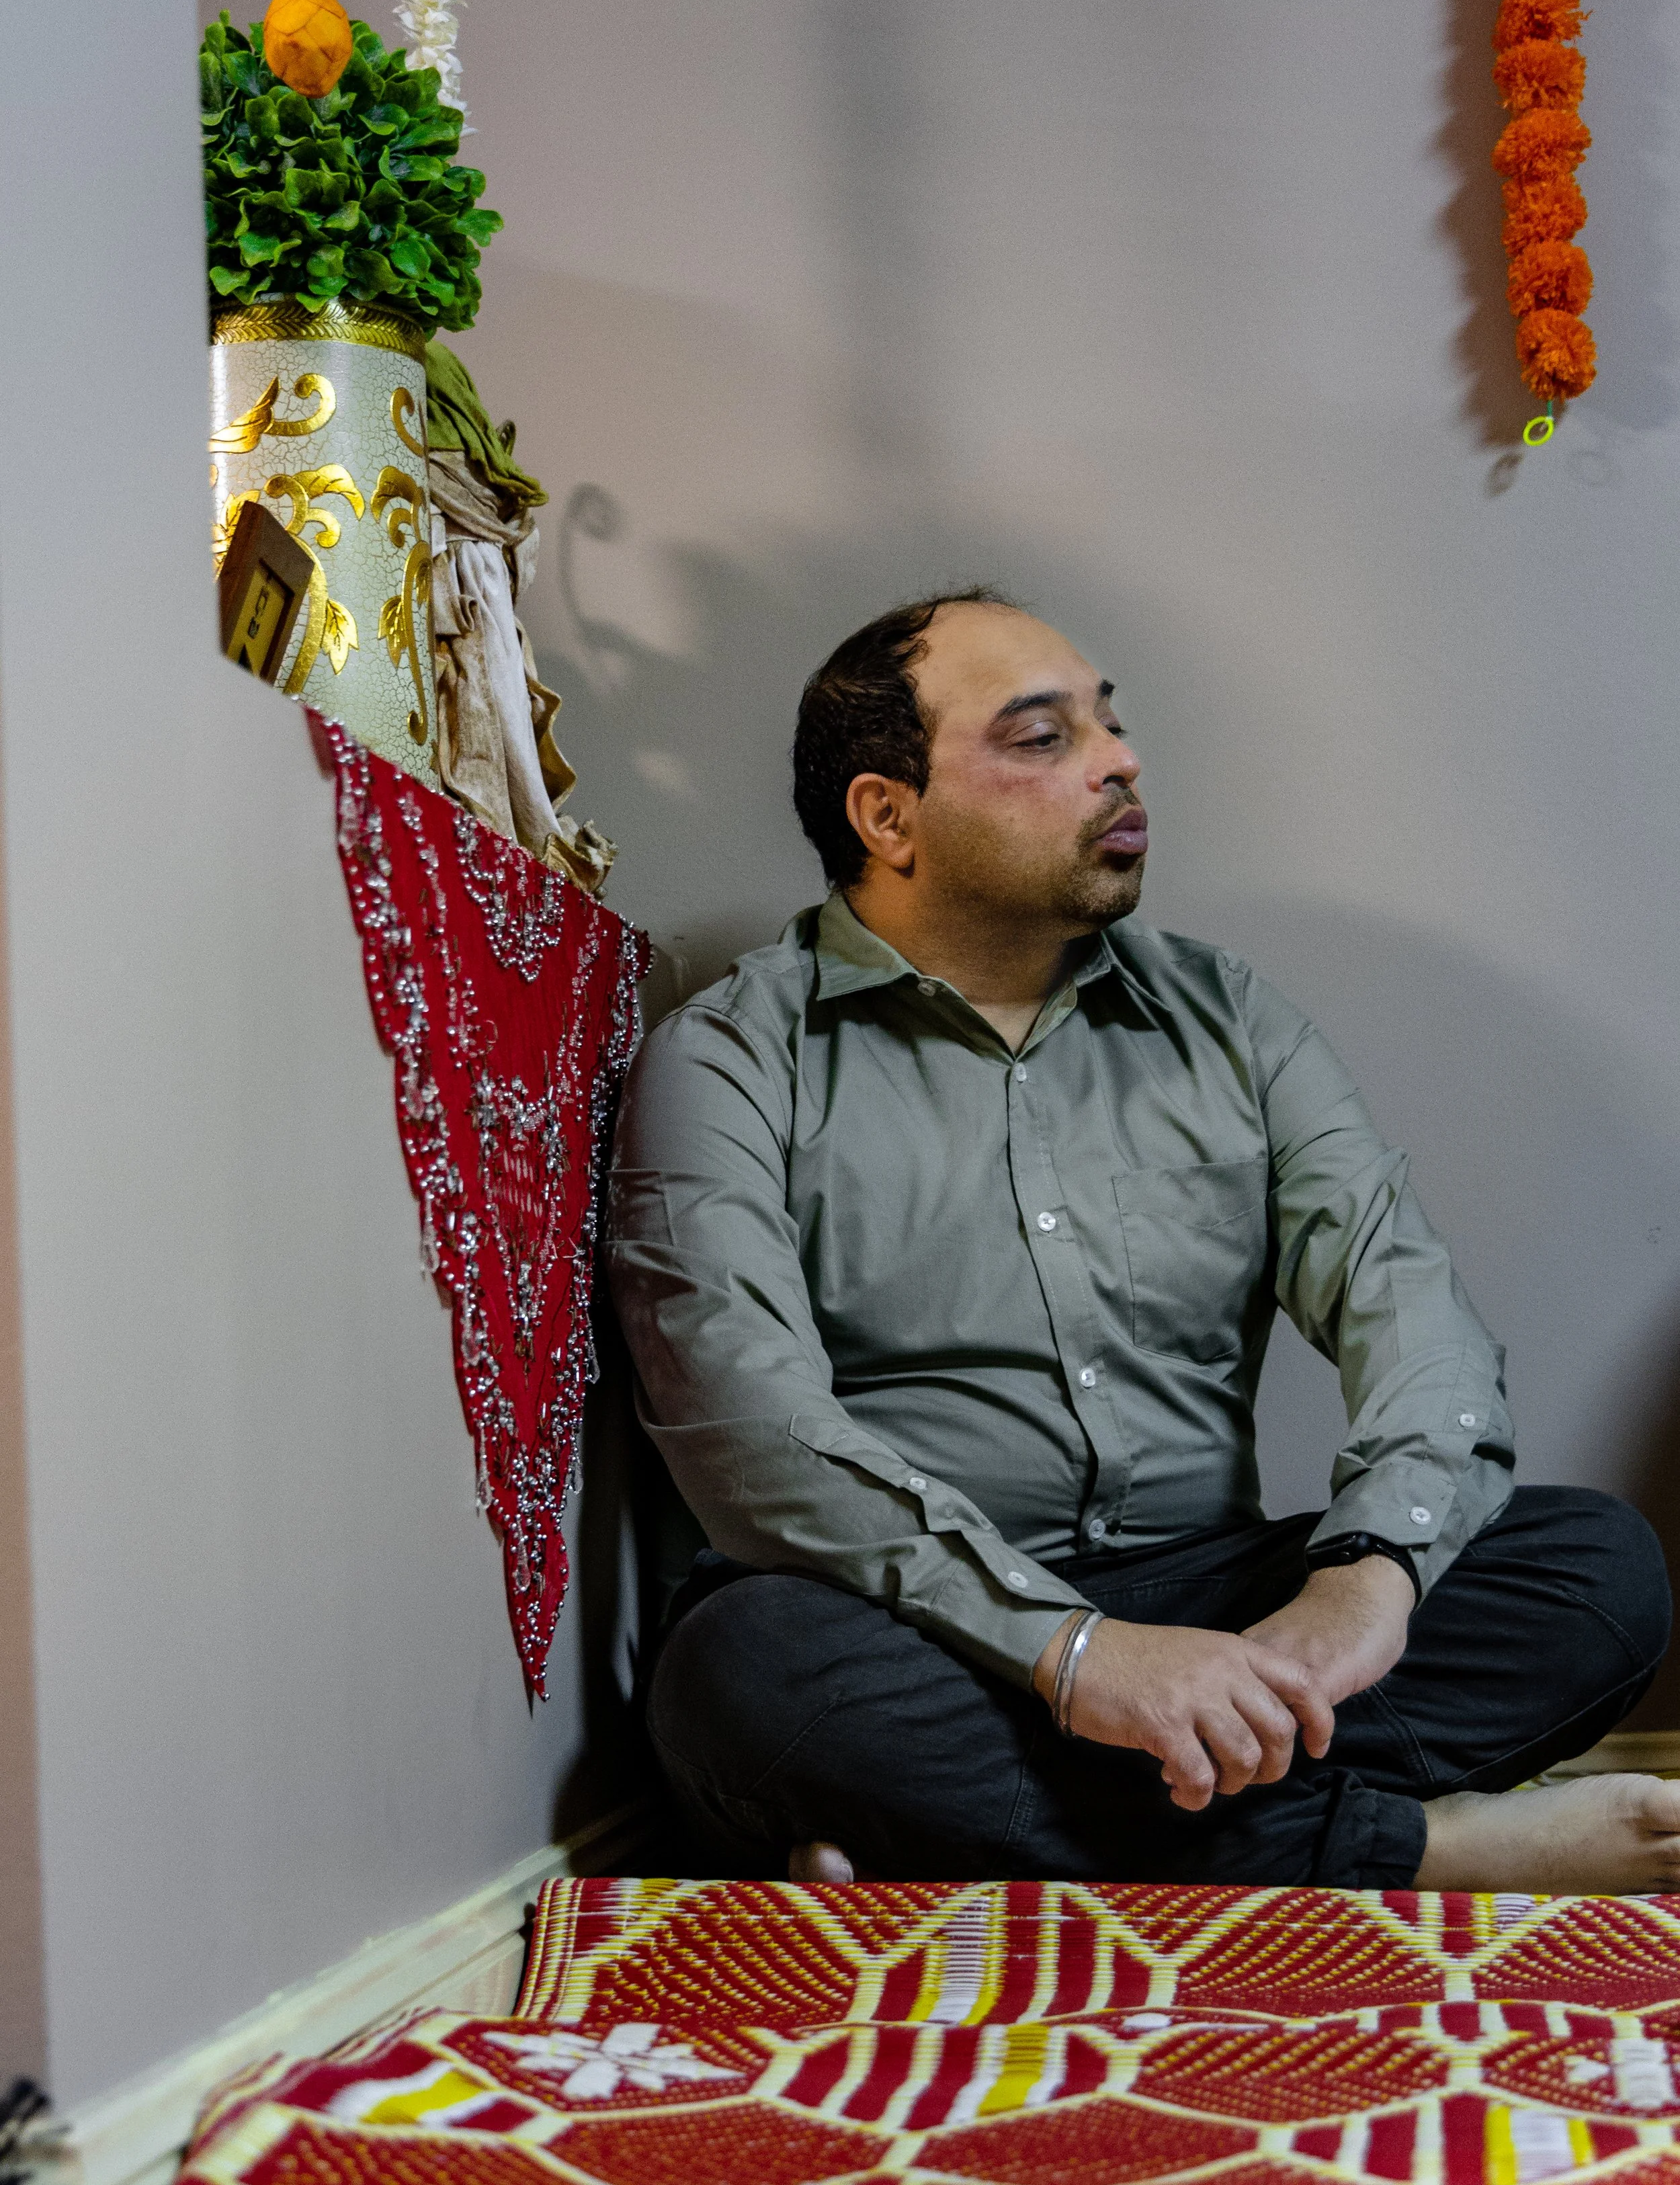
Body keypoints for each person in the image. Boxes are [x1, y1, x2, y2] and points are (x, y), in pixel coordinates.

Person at [607, 587, 1676, 1890]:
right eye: (1040, 737)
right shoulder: (728, 1058)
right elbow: (754, 1442)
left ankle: (951, 1837)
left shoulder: (1229, 1021)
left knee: (1595, 1574)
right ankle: (1417, 1846)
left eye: (1107, 724)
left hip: (1216, 1601)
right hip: (911, 1621)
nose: (1117, 759)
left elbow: (1411, 1317)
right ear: (886, 816)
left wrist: (1362, 1583)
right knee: (739, 1679)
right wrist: (1072, 1655)